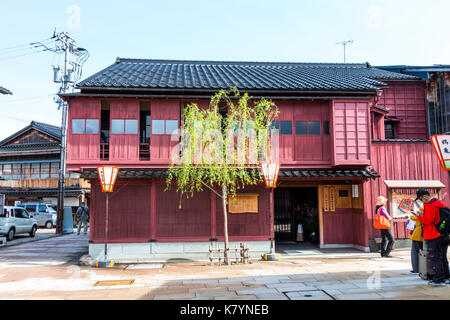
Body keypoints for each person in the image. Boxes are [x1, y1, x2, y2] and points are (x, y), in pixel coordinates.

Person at [413, 189, 449, 287]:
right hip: (444, 234)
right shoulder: (439, 203)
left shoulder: (429, 205)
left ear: (425, 197)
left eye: (420, 199)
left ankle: (439, 279)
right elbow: (435, 218)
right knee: (442, 257)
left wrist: (419, 216)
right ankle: (446, 277)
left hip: (434, 235)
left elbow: (428, 221)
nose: (421, 201)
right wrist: (423, 215)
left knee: (435, 257)